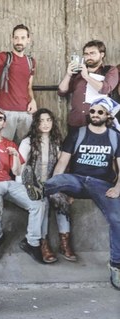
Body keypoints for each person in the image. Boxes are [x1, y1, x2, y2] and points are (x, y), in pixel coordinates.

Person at [45, 97, 120, 290]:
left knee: (117, 219)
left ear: (108, 115)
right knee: (60, 180)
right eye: (93, 111)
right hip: (76, 180)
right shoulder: (77, 133)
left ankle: (116, 265)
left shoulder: (115, 137)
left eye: (100, 112)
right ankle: (40, 190)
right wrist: (56, 187)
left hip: (101, 185)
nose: (95, 115)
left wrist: (118, 187)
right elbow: (62, 163)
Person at [0, 108, 45, 263]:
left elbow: (16, 171)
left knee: (38, 203)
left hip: (9, 183)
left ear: (4, 124)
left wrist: (16, 156)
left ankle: (32, 242)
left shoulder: (9, 144)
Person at [18, 109, 73, 262]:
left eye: (48, 120)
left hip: (52, 182)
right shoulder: (28, 141)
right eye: (41, 121)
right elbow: (20, 167)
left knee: (62, 201)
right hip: (33, 186)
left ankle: (65, 242)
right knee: (44, 203)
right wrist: (23, 187)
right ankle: (44, 243)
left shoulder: (57, 142)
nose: (45, 124)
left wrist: (66, 189)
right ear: (36, 123)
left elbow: (63, 166)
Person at [57, 40, 119, 133]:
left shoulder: (110, 70)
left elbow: (105, 89)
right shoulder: (77, 71)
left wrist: (86, 76)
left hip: (99, 123)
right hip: (76, 122)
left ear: (102, 54)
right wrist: (68, 74)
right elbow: (62, 92)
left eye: (92, 53)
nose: (88, 57)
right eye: (86, 54)